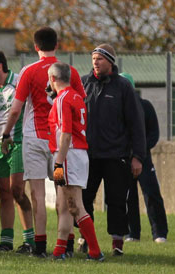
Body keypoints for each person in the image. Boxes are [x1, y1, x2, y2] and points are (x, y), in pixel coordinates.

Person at [2, 27, 85, 257]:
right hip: (60, 144)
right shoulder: (70, 71)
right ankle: (64, 245)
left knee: (37, 193)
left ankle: (39, 247)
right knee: (62, 190)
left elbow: (15, 110)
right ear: (56, 45)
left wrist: (6, 134)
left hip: (35, 141)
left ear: (35, 46)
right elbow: (80, 105)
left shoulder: (28, 71)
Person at [81, 44, 146, 256]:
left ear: (110, 61)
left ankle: (117, 243)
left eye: (99, 58)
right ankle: (85, 238)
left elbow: (136, 124)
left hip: (116, 155)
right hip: (87, 155)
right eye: (93, 58)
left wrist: (137, 156)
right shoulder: (83, 83)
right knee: (83, 198)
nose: (95, 62)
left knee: (116, 201)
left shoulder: (123, 86)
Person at [47, 62, 104, 261]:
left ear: (53, 79)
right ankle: (58, 251)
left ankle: (95, 252)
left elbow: (66, 134)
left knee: (75, 205)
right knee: (63, 205)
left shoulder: (62, 99)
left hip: (68, 155)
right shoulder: (77, 96)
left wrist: (59, 163)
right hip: (76, 154)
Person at [0, 50, 35, 253]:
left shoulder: (20, 81)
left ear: (0, 66)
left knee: (17, 191)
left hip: (17, 142)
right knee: (4, 193)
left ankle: (30, 240)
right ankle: (6, 241)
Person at [120, 72, 168, 244]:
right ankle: (132, 233)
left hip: (143, 158)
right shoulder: (116, 109)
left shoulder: (145, 106)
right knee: (127, 196)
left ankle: (159, 233)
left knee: (151, 193)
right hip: (123, 158)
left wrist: (140, 152)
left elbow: (153, 133)